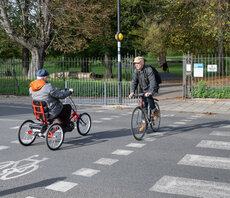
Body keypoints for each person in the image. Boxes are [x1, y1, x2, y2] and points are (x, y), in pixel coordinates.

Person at [129, 56, 159, 132]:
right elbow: (134, 82)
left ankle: (154, 110)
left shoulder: (148, 70)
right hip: (143, 89)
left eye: (138, 63)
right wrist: (132, 91)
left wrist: (150, 91)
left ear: (142, 63)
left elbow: (152, 81)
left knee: (148, 97)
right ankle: (144, 124)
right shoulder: (136, 71)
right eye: (135, 63)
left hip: (152, 87)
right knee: (143, 106)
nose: (136, 65)